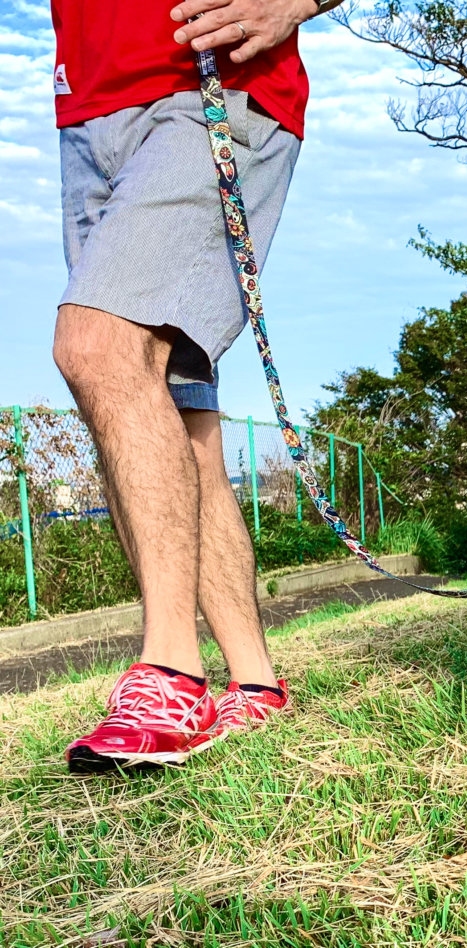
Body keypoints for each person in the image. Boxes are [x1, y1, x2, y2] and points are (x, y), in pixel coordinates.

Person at [51, 0, 340, 772]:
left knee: (97, 344)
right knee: (176, 410)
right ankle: (254, 681)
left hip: (211, 89)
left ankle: (172, 673)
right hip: (86, 112)